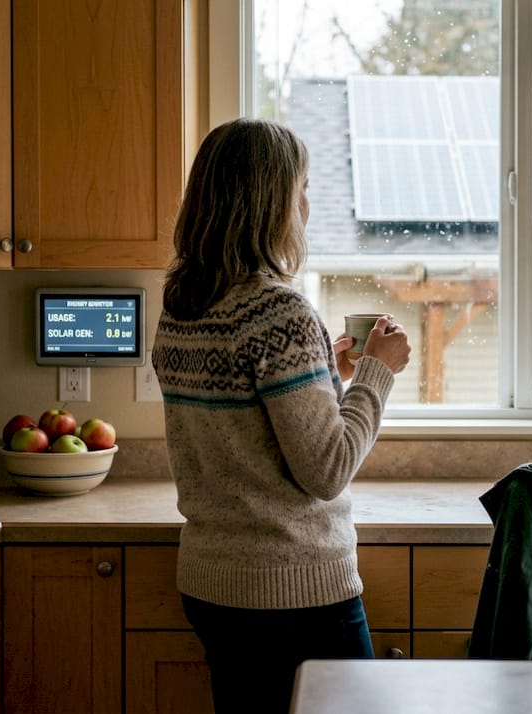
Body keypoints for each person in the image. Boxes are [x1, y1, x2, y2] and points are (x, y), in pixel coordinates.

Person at [151, 117, 412, 713]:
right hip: (292, 594)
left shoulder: (182, 306)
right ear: (271, 203)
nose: (308, 205)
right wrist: (378, 373)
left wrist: (327, 377)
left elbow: (243, 420)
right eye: (303, 188)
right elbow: (326, 469)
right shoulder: (279, 311)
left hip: (213, 586)